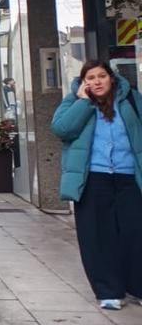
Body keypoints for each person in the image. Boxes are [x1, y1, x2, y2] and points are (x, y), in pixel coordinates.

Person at [51, 60, 142, 310]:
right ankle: (109, 290)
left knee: (134, 233)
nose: (97, 81)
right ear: (83, 82)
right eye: (90, 78)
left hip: (128, 178)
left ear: (111, 78)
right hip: (93, 179)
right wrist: (83, 102)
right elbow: (62, 129)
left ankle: (137, 285)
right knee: (98, 236)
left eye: (102, 76)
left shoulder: (131, 99)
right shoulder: (74, 102)